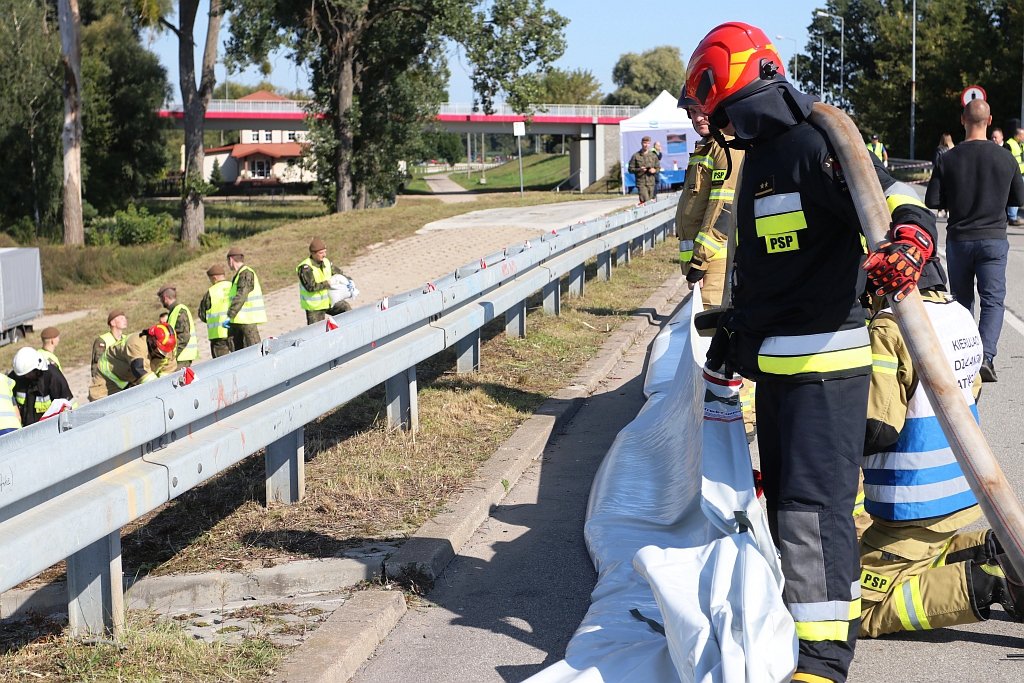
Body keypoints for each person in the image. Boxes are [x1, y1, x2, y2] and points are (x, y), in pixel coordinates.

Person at [684, 22, 940, 682]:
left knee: (813, 515)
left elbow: (896, 197)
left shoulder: (818, 140)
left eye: (713, 110)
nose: (714, 126)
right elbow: (774, 273)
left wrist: (908, 241)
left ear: (733, 88)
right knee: (788, 508)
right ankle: (802, 631)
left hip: (826, 372)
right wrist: (735, 341)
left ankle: (824, 660)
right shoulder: (765, 161)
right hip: (781, 371)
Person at [858, 282, 1024, 637]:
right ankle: (991, 550)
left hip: (912, 502)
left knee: (846, 611)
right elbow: (973, 389)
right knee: (923, 551)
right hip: (960, 488)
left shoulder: (889, 327)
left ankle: (989, 585)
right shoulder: (958, 313)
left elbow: (877, 429)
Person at [925, 99, 1024, 383]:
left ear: (962, 120)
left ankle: (964, 356)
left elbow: (932, 200)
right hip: (993, 239)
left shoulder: (948, 158)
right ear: (990, 120)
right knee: (993, 301)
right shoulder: (1006, 158)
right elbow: (1019, 198)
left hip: (959, 239)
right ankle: (986, 357)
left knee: (962, 301)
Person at [88, 323, 177, 400]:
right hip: (108, 378)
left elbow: (167, 375)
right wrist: (159, 390)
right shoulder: (136, 343)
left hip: (131, 380)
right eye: (161, 350)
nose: (164, 354)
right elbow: (140, 370)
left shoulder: (168, 349)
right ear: (152, 341)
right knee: (104, 410)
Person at [8, 347, 75, 427]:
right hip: (25, 430)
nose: (26, 377)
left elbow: (68, 404)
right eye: (24, 375)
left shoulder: (52, 377)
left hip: (50, 428)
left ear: (36, 368)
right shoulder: (16, 378)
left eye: (29, 374)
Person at [297, 238, 352, 325]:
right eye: (321, 253)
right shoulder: (305, 268)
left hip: (329, 301)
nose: (324, 255)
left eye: (325, 252)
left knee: (346, 310)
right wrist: (328, 283)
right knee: (316, 332)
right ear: (313, 253)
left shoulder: (326, 262)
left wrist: (348, 280)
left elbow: (338, 273)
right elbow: (311, 287)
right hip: (315, 307)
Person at [224, 246, 267, 350]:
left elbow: (241, 295)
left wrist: (230, 314)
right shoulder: (240, 274)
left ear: (231, 260)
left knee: (254, 351)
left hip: (247, 322)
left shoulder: (245, 273)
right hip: (240, 321)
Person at [157, 284, 198, 368]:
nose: (161, 301)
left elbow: (184, 336)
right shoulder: (174, 311)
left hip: (182, 358)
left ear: (165, 298)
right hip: (180, 357)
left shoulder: (179, 310)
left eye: (161, 299)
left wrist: (172, 355)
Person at [198, 263, 233, 358]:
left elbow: (202, 314)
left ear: (214, 278)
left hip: (218, 335)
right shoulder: (233, 286)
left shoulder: (211, 292)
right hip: (235, 331)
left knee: (221, 367)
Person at [91, 310, 128, 383]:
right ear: (112, 323)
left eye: (125, 318)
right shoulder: (102, 340)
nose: (125, 320)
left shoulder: (126, 338)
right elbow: (98, 364)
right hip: (107, 381)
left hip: (124, 379)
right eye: (121, 319)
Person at [627, 135, 660, 204]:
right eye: (644, 143)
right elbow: (630, 169)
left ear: (650, 144)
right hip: (641, 183)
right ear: (641, 143)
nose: (646, 145)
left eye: (648, 143)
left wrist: (654, 170)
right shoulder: (636, 156)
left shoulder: (653, 156)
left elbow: (658, 167)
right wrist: (639, 169)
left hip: (651, 183)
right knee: (646, 201)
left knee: (652, 202)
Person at [1002, 124, 1024, 226]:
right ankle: (1012, 217)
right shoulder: (1009, 144)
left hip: (1021, 173)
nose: (1023, 137)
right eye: (1022, 135)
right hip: (1014, 173)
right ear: (1017, 135)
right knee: (1015, 194)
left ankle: (1012, 216)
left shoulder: (1021, 144)